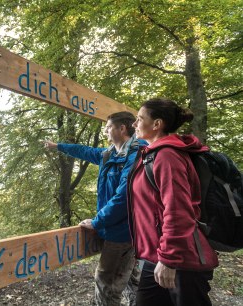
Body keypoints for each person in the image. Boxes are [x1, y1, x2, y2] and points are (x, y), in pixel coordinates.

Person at [44, 111, 146, 306]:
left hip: (122, 233)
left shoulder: (137, 155)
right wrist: (58, 146)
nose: (106, 131)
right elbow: (83, 151)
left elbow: (124, 198)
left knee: (106, 285)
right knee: (131, 281)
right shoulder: (110, 154)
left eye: (108, 127)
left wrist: (97, 222)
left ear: (122, 128)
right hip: (120, 230)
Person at [128, 98, 219, 306]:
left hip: (180, 259)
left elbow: (178, 211)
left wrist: (169, 259)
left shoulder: (167, 156)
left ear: (157, 124)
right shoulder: (152, 154)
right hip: (158, 255)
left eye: (139, 119)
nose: (134, 124)